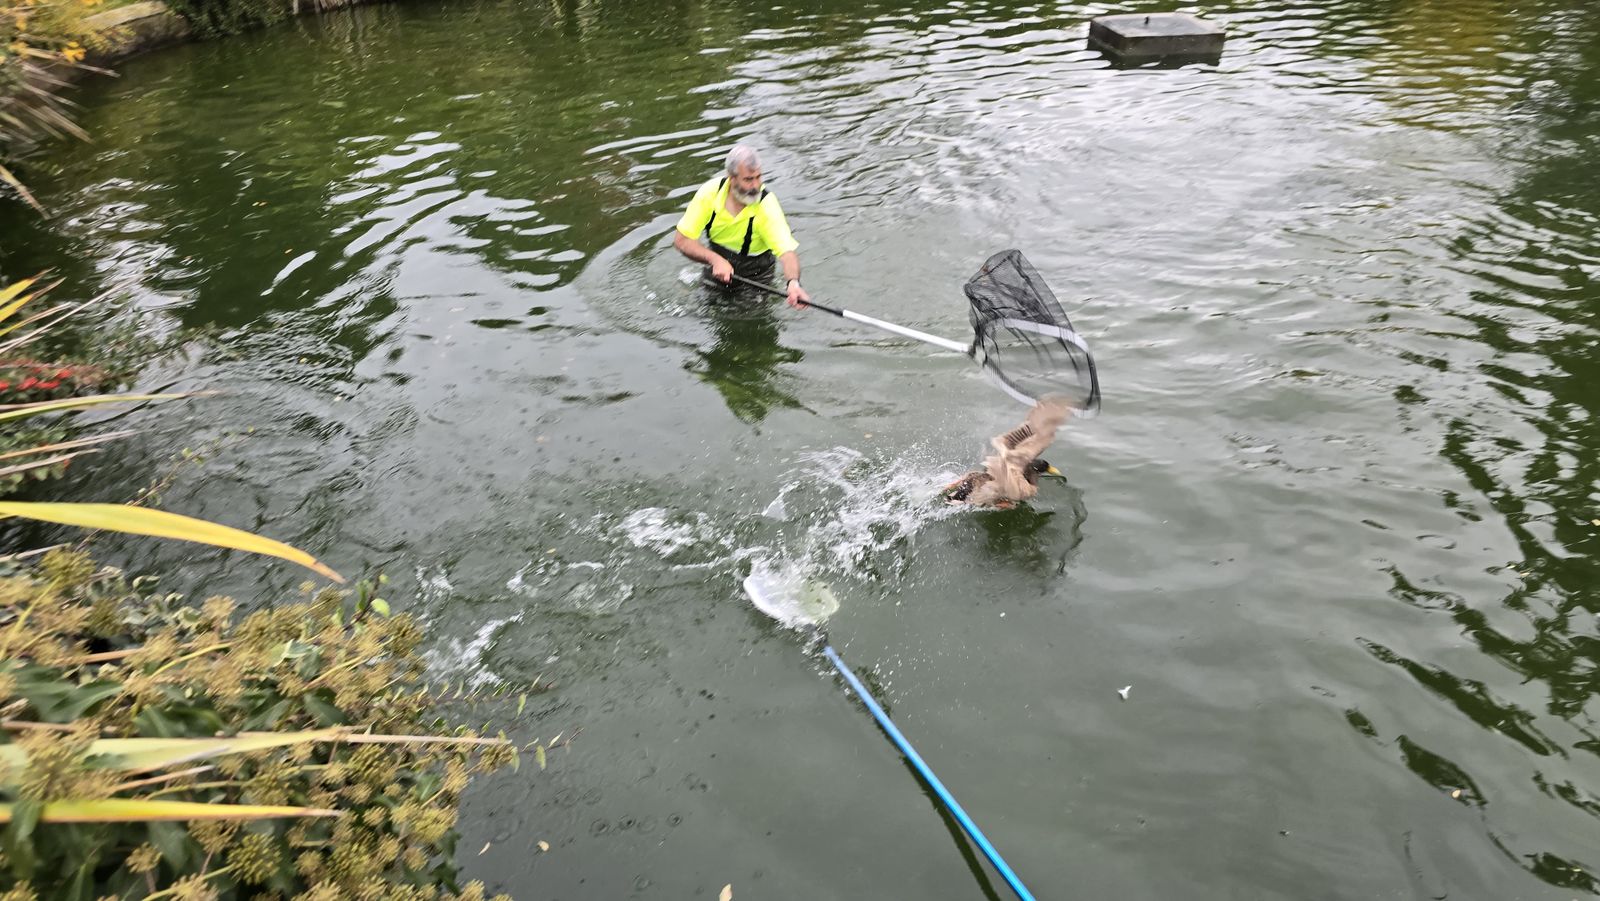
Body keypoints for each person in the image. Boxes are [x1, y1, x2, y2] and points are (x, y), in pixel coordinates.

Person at [673, 145, 811, 309]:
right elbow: (682, 240)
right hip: (717, 269)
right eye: (748, 179)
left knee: (743, 316)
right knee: (700, 310)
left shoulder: (766, 206)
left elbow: (787, 253)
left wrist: (793, 283)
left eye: (758, 177)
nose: (756, 186)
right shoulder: (710, 194)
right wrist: (715, 259)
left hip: (756, 278)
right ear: (731, 179)